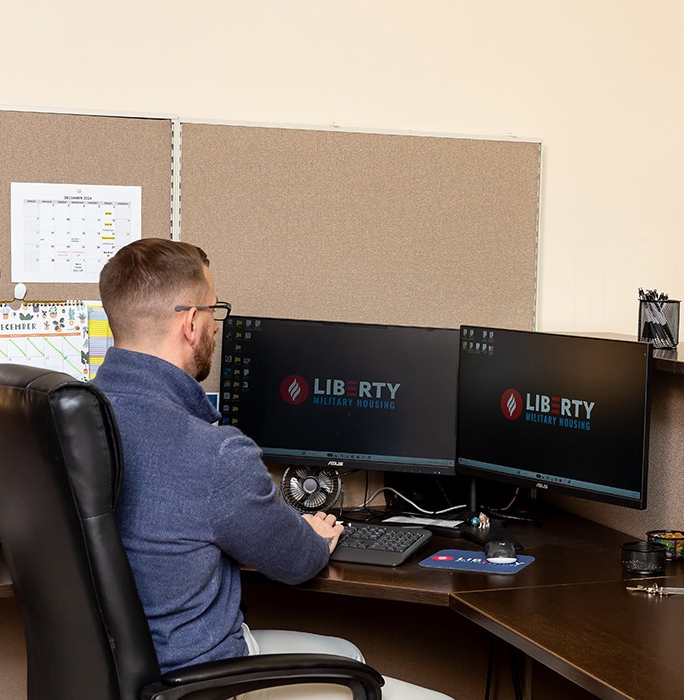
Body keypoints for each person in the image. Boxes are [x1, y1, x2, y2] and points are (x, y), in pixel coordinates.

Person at [94, 238, 451, 700]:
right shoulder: (211, 451)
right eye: (213, 312)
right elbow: (296, 562)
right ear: (190, 323)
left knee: (347, 655)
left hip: (120, 675)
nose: (215, 329)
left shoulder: (69, 421)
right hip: (204, 680)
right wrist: (313, 537)